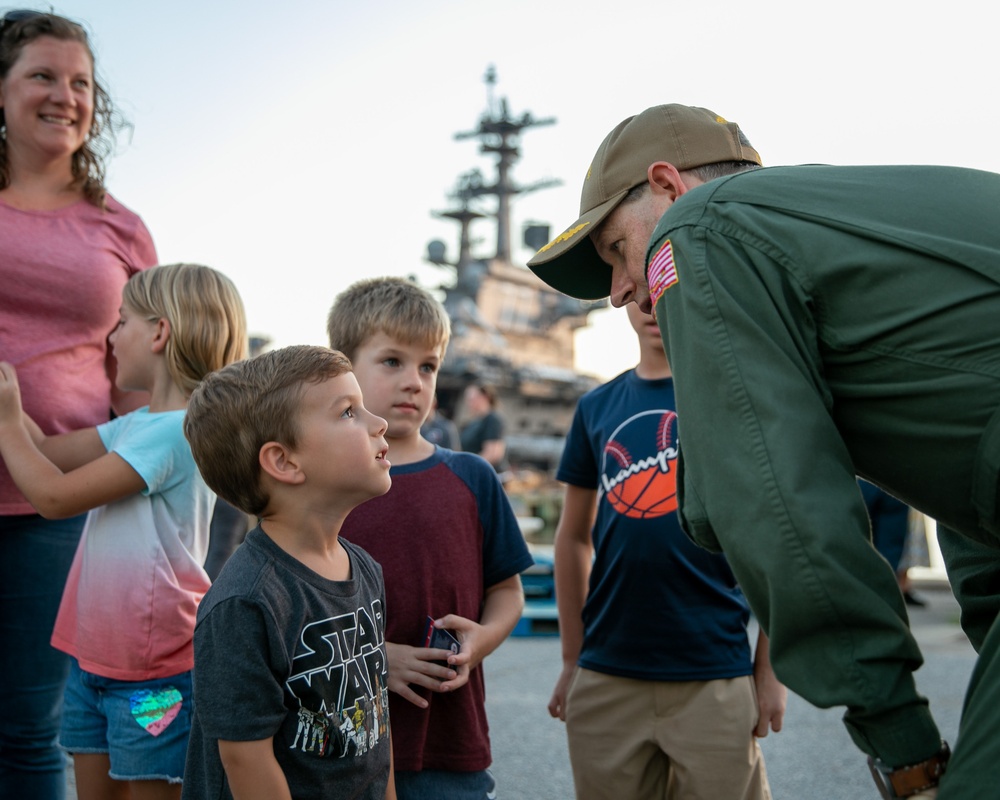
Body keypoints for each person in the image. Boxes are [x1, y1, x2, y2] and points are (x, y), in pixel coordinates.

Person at [526, 103, 1000, 798]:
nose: (620, 291)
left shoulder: (699, 227)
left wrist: (903, 746)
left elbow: (778, 504)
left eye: (615, 253)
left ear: (667, 186)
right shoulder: (846, 223)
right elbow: (970, 469)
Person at [0, 264, 247, 799]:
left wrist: (4, 420)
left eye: (122, 321)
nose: (111, 337)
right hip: (94, 662)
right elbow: (45, 453)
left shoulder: (175, 433)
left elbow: (52, 495)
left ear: (159, 332)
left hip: (152, 672)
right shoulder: (135, 425)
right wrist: (11, 405)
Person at [0, 11, 158, 797]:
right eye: (41, 75)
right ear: (1, 90)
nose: (64, 95)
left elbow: (142, 393)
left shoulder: (121, 228)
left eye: (81, 83)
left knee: (30, 731)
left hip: (52, 511)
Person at [547, 301, 785, 800]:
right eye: (641, 288)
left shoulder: (732, 399)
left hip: (714, 673)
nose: (653, 304)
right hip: (606, 674)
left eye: (667, 284)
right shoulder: (596, 407)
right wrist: (572, 657)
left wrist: (770, 670)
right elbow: (571, 538)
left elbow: (778, 540)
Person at [327, 277, 533, 799]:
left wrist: (482, 640)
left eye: (428, 366)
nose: (415, 381)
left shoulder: (472, 478)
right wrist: (376, 660)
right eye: (392, 361)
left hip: (450, 745)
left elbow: (506, 592)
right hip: (339, 747)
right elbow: (289, 613)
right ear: (342, 367)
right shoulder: (322, 482)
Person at [181, 345, 396, 800]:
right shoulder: (245, 602)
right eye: (347, 413)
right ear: (284, 462)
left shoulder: (366, 570)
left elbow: (376, 725)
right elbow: (246, 760)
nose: (379, 424)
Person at [860, 479, 926, 608]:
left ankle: (867, 593)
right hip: (893, 481)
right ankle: (884, 596)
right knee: (890, 547)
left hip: (861, 477)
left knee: (861, 538)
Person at [459, 382, 507, 470]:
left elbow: (494, 453)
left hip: (485, 473)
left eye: (472, 399)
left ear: (485, 397)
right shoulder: (473, 422)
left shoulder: (492, 419)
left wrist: (469, 467)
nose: (469, 403)